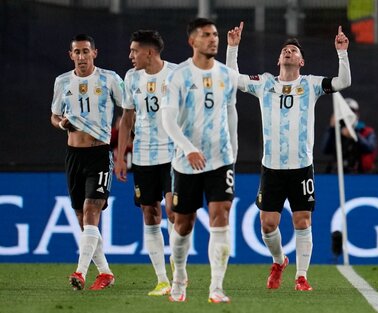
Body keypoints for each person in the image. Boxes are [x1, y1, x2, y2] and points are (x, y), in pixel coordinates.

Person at [226, 22, 351, 290]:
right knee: (268, 224)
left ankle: (301, 276)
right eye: (285, 50)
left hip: (301, 167)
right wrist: (232, 48)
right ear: (278, 59)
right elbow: (233, 79)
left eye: (293, 50)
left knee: (301, 220)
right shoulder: (264, 83)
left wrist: (342, 53)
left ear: (301, 61)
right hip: (271, 167)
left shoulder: (311, 85)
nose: (288, 52)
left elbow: (343, 82)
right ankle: (279, 260)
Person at [161, 18, 239, 303]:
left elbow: (231, 113)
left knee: (222, 216)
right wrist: (187, 148)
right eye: (206, 35)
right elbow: (167, 118)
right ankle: (179, 277)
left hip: (220, 160)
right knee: (183, 224)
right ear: (192, 41)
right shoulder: (179, 75)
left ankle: (216, 287)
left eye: (215, 34)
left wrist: (234, 153)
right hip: (186, 162)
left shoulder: (226, 75)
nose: (213, 39)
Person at [50, 34, 124, 290]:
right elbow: (54, 115)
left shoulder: (110, 79)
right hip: (74, 155)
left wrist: (122, 145)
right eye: (77, 52)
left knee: (92, 211)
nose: (81, 56)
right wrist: (61, 124)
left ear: (95, 52)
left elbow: (128, 109)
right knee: (83, 218)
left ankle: (80, 272)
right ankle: (105, 272)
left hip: (99, 153)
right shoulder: (62, 81)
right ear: (71, 55)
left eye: (85, 51)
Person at [114, 29, 176, 296]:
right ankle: (162, 280)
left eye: (134, 51)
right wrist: (119, 157)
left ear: (149, 52)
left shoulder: (177, 74)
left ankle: (179, 271)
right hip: (143, 157)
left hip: (174, 155)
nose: (130, 56)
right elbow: (127, 119)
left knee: (174, 211)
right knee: (150, 213)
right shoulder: (132, 78)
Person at [321, 98, 377, 173]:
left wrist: (354, 135)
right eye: (344, 112)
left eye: (351, 112)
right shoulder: (336, 131)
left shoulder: (366, 131)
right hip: (337, 172)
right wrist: (331, 129)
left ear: (357, 114)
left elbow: (370, 148)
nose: (347, 115)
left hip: (359, 173)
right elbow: (325, 149)